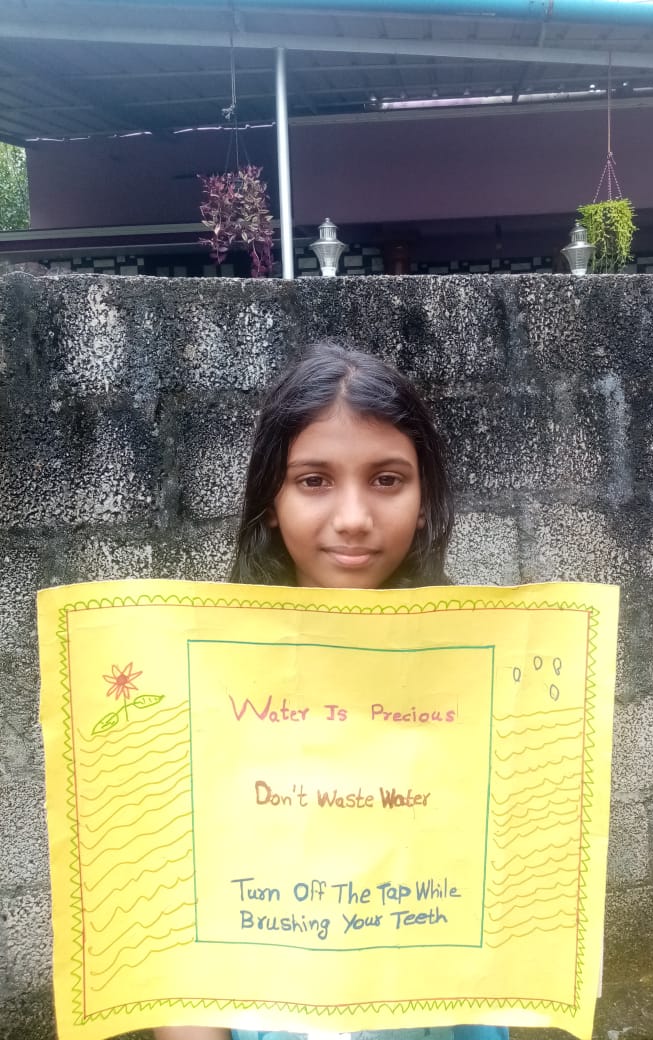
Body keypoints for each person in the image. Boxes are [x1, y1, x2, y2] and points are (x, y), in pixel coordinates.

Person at [155, 343, 507, 1040]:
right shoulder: (204, 685)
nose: (353, 517)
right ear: (272, 500)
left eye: (387, 479)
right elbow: (182, 928)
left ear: (424, 499)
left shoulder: (482, 678)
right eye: (314, 480)